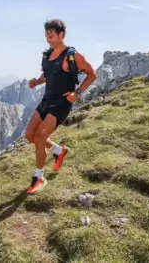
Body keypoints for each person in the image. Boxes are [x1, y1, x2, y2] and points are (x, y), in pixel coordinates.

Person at [25, 19, 97, 194]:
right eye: (46, 36)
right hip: (46, 100)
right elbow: (48, 74)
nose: (48, 39)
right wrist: (38, 81)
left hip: (61, 103)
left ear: (61, 35)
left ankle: (39, 177)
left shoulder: (72, 55)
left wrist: (77, 93)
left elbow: (92, 74)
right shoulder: (47, 55)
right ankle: (59, 151)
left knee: (41, 137)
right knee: (30, 136)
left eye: (51, 36)